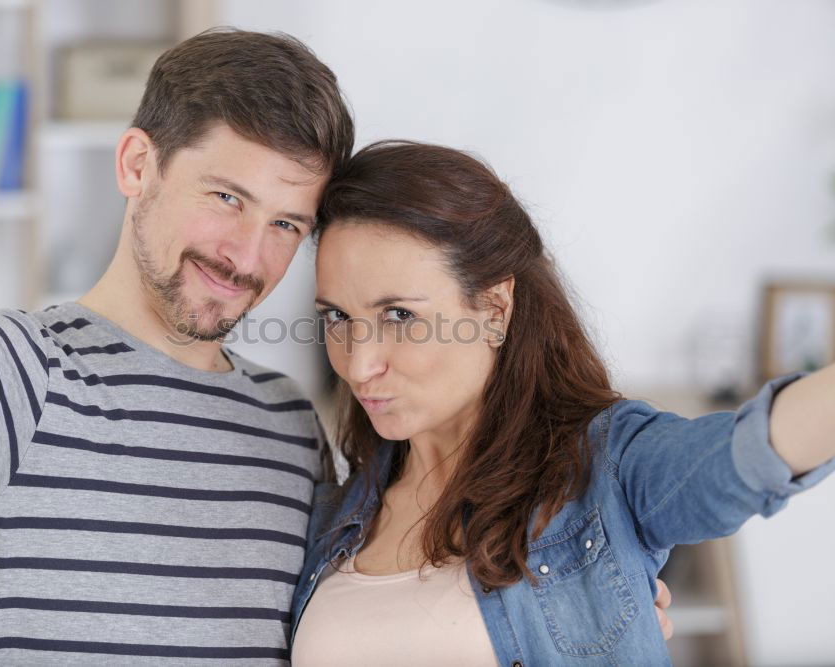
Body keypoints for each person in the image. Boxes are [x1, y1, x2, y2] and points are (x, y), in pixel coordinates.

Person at [0, 29, 352, 664]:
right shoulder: (13, 369)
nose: (247, 256)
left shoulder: (291, 425)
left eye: (284, 224)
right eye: (226, 197)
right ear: (138, 165)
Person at [289, 140, 835, 665]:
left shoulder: (603, 473)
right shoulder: (331, 521)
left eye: (399, 316)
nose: (359, 365)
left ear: (495, 310)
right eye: (338, 317)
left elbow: (747, 454)